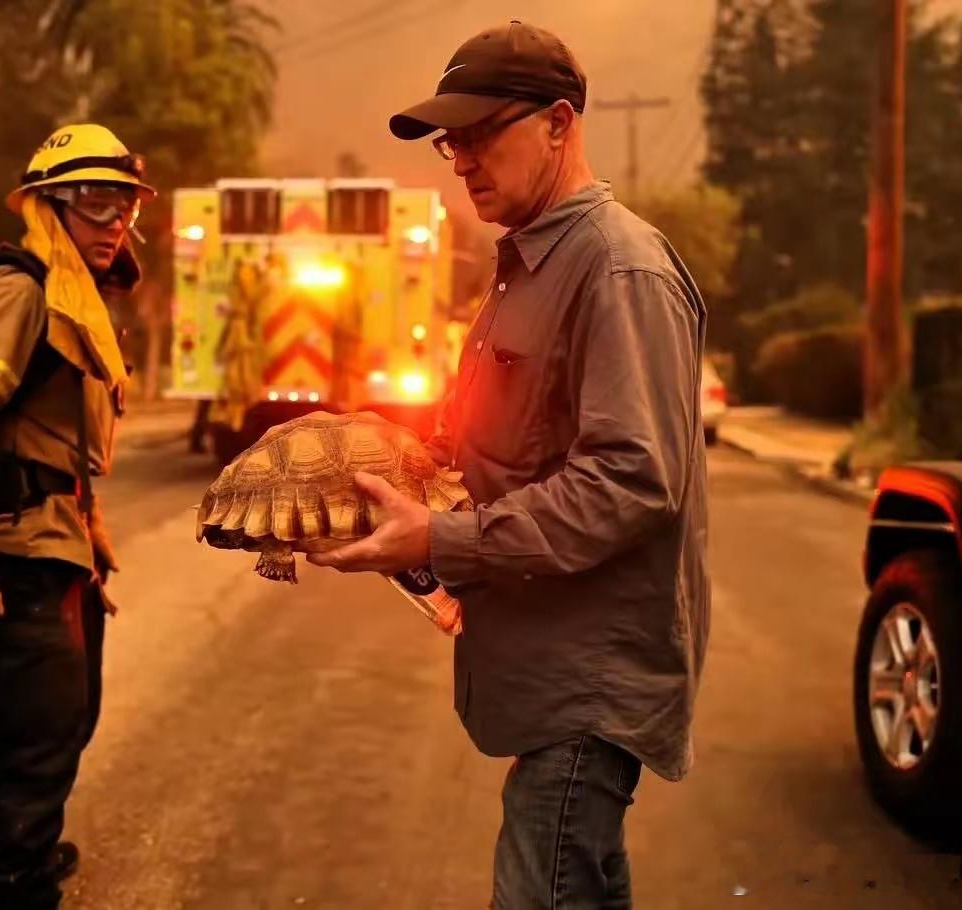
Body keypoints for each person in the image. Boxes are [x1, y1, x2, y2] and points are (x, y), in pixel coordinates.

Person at [310, 20, 710, 909]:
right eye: (452, 142)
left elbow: (632, 480)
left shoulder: (616, 269)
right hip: (545, 661)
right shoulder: (526, 267)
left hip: (590, 680)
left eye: (483, 133)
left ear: (561, 124)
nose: (460, 160)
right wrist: (375, 469)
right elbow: (491, 443)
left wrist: (447, 538)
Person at [0, 123, 153, 909]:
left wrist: (90, 518)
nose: (115, 223)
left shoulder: (73, 295)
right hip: (12, 558)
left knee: (67, 719)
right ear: (49, 205)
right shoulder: (18, 288)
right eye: (96, 202)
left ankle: (32, 848)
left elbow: (52, 436)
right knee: (32, 738)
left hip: (59, 546)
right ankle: (13, 882)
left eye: (126, 206)